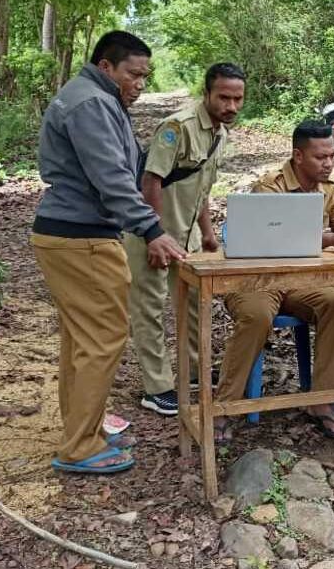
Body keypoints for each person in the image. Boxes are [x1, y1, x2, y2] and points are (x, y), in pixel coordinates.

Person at [31, 30, 187, 474]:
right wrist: (152, 229)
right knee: (102, 341)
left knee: (81, 340)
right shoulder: (92, 104)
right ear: (106, 67)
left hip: (73, 233)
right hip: (81, 238)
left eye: (145, 75)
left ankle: (83, 427)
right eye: (134, 74)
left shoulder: (97, 99)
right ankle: (80, 447)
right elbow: (111, 179)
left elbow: (128, 167)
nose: (140, 83)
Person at [213, 121, 334, 443]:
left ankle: (321, 402)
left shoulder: (330, 191)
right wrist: (330, 238)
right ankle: (225, 407)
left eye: (331, 156)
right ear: (298, 156)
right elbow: (276, 238)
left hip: (303, 282)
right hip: (256, 281)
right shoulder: (268, 187)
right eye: (320, 157)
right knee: (257, 316)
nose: (329, 163)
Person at [125, 63, 245, 417]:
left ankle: (193, 370)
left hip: (187, 236)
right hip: (153, 232)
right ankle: (157, 386)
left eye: (237, 99)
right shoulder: (178, 127)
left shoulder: (219, 132)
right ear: (206, 93)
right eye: (224, 97)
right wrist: (154, 235)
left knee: (193, 303)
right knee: (149, 307)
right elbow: (151, 182)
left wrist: (207, 233)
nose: (231, 106)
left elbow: (200, 188)